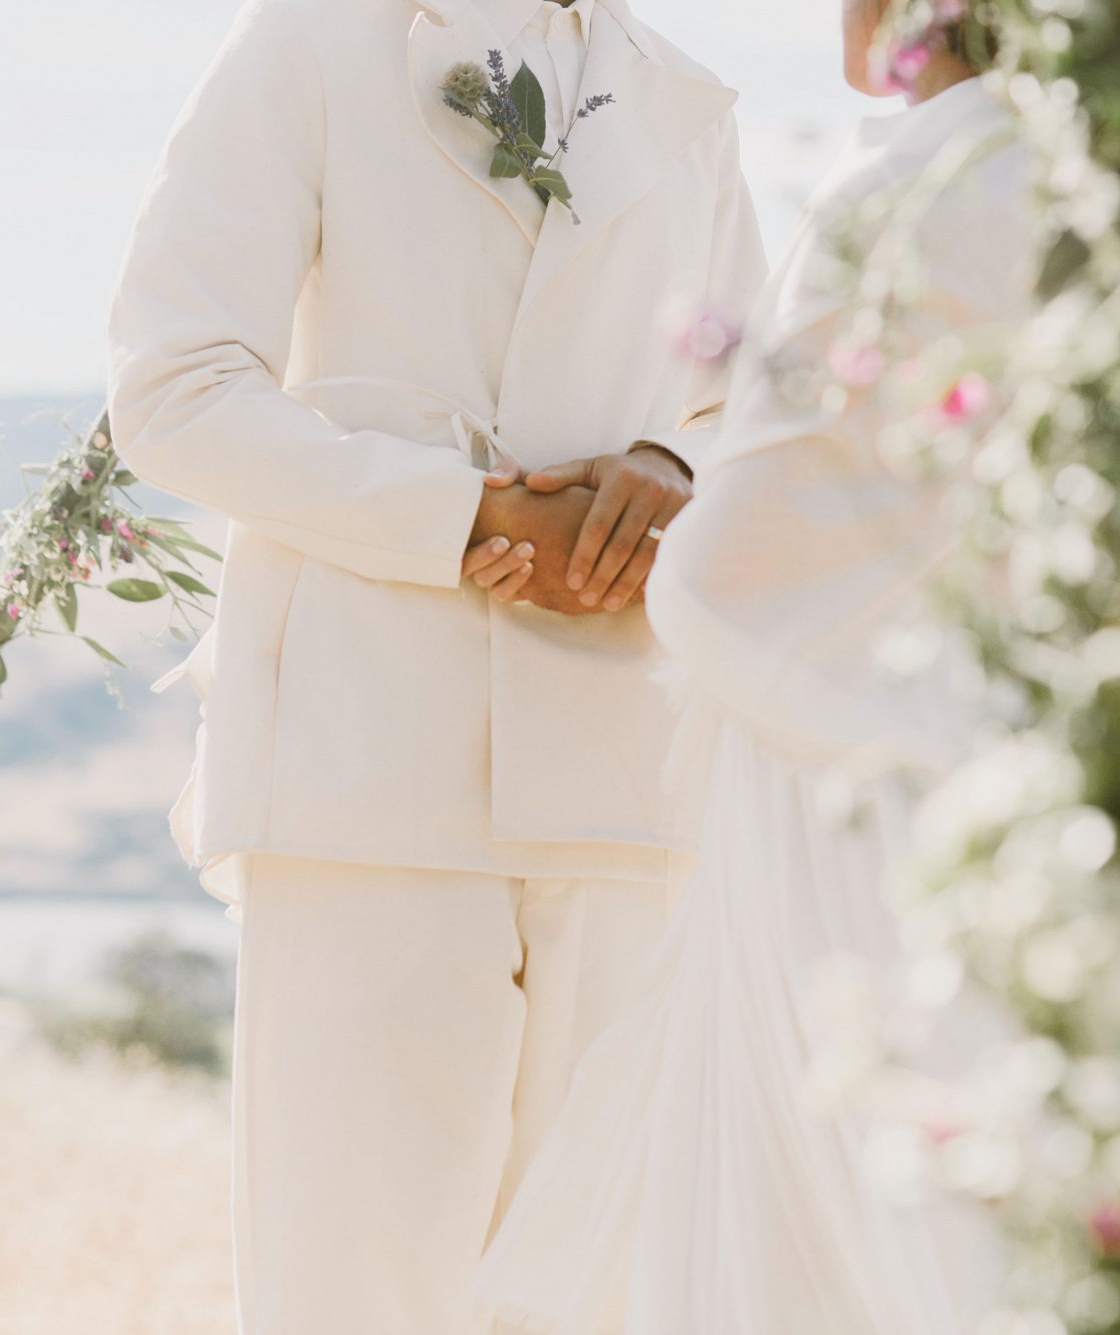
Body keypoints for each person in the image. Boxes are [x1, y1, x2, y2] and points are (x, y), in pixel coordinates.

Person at [103, 0, 766, 1329]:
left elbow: (749, 406)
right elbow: (172, 389)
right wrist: (458, 514)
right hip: (366, 757)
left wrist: (672, 472)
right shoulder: (307, 46)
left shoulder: (688, 104)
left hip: (622, 779)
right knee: (352, 1286)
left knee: (604, 1285)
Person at [468, 3, 1033, 1332]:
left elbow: (727, 580)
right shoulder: (1090, 198)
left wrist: (593, 541)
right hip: (1016, 787)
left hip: (831, 807)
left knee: (799, 1227)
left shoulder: (895, 187)